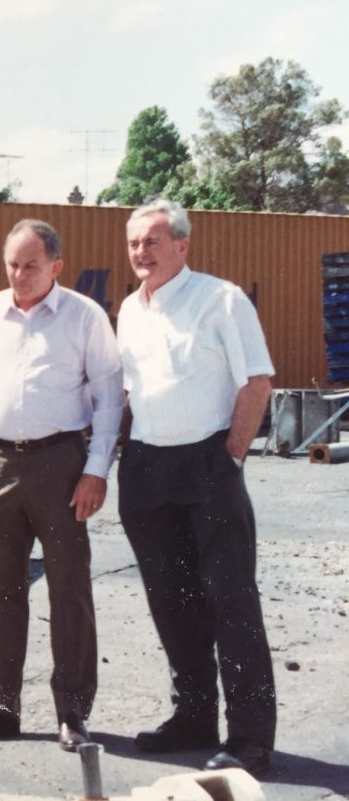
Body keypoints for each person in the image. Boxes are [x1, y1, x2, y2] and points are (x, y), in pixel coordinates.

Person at [0, 219, 123, 751]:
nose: (19, 274)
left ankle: (73, 712)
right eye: (12, 264)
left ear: (56, 267)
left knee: (69, 589)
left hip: (62, 465)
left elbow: (109, 397)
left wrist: (96, 469)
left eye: (31, 265)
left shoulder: (84, 318)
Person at [117, 199, 276, 777]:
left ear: (182, 244)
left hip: (208, 463)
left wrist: (229, 456)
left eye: (153, 241)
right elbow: (132, 392)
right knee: (171, 599)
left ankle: (252, 737)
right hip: (147, 466)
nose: (142, 252)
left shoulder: (221, 299)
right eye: (135, 243)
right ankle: (193, 717)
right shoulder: (130, 311)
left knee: (230, 599)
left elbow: (256, 381)